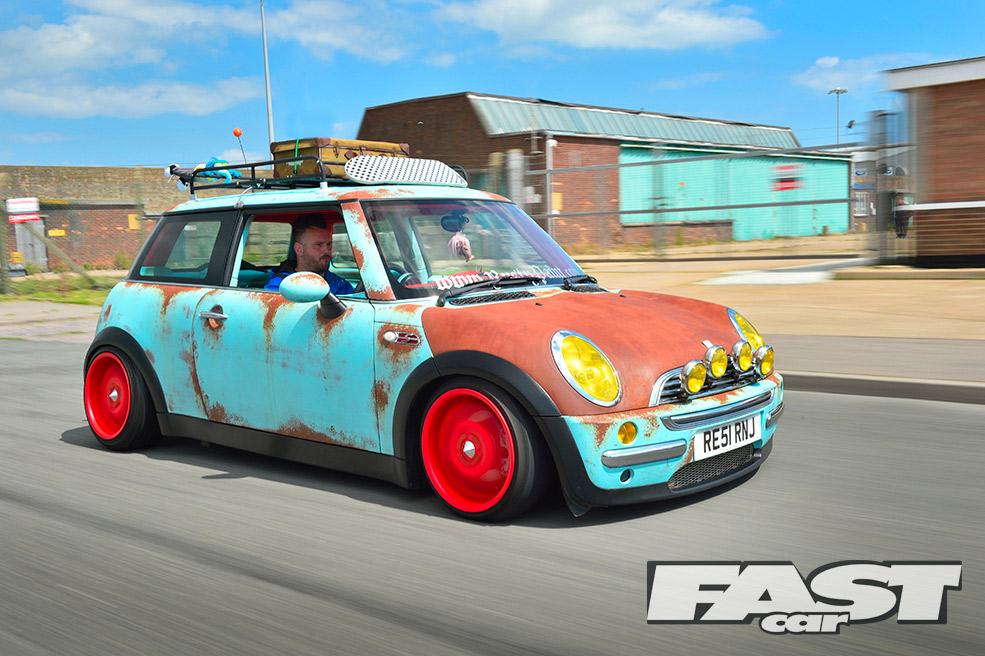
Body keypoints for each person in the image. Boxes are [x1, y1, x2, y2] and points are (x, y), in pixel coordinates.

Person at [265, 212, 355, 294]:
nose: (326, 250)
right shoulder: (280, 290)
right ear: (299, 249)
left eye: (329, 244)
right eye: (318, 245)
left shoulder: (338, 283)